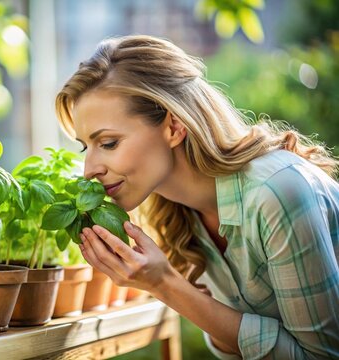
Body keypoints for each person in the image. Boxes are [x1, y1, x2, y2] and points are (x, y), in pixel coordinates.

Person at [55, 35, 339, 359]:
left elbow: (322, 356)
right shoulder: (178, 214)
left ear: (174, 126)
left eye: (108, 143)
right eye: (84, 147)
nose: (89, 169)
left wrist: (166, 286)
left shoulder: (276, 192)